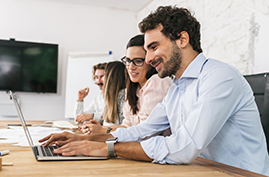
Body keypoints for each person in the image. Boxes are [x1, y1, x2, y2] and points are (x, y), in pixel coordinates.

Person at [39, 6, 269, 175]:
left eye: (153, 47)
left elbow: (184, 147)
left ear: (182, 39)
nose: (148, 59)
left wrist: (106, 148)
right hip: (202, 170)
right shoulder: (178, 87)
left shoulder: (219, 77)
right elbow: (144, 129)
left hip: (239, 174)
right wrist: (89, 139)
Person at [80, 34, 172, 134]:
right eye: (128, 61)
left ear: (150, 61)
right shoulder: (133, 88)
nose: (131, 67)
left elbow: (145, 134)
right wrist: (102, 129)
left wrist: (103, 131)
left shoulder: (157, 82)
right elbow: (127, 125)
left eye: (138, 61)